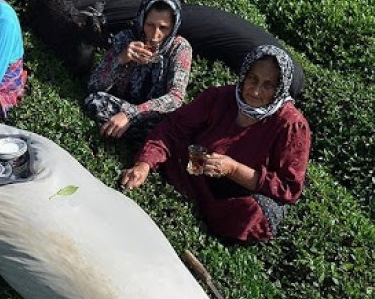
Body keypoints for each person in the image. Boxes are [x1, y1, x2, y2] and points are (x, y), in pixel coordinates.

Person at [121, 45, 311, 242]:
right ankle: (196, 193)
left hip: (242, 192)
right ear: (244, 74)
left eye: (268, 85)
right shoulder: (219, 98)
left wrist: (233, 169)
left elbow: (289, 188)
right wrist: (143, 164)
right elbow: (173, 128)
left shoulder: (291, 125)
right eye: (252, 79)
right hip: (199, 172)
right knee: (168, 144)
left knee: (251, 213)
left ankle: (213, 212)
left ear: (279, 89)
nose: (255, 91)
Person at [84, 0, 192, 141]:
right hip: (122, 104)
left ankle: (124, 132)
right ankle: (138, 138)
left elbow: (175, 97)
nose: (155, 35)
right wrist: (121, 59)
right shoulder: (126, 39)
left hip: (152, 115)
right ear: (142, 20)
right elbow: (94, 85)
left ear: (173, 27)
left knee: (171, 128)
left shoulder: (180, 48)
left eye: (163, 28)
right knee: (94, 101)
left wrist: (131, 114)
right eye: (150, 25)